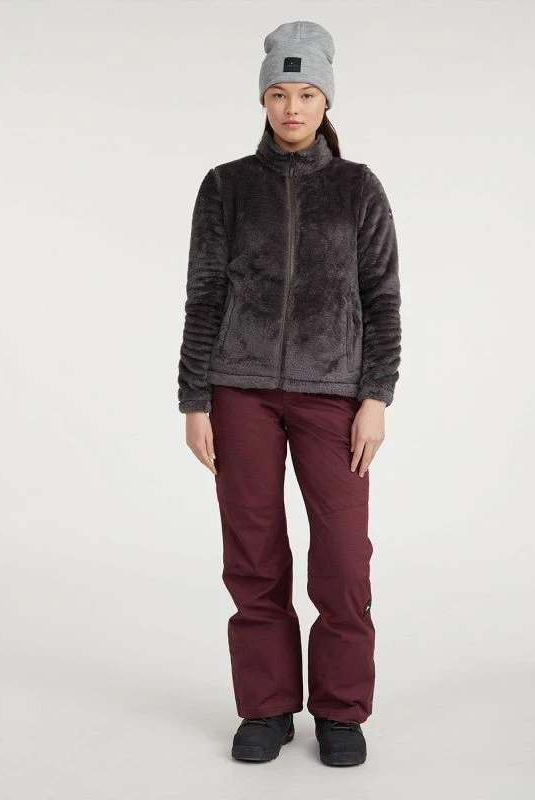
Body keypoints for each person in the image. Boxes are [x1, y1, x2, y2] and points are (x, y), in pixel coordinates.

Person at [177, 20, 402, 767]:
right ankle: (267, 706)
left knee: (342, 558)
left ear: (326, 101)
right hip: (238, 391)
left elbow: (382, 298)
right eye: (280, 93)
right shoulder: (226, 186)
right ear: (263, 100)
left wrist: (376, 396)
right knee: (253, 553)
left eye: (306, 93)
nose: (293, 107)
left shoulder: (358, 188)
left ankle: (340, 710)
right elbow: (204, 296)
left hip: (333, 394)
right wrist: (194, 399)